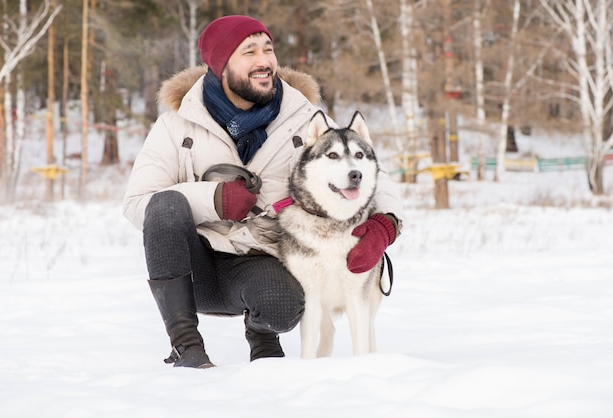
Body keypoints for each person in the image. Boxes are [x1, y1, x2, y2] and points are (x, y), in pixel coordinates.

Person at [123, 15, 404, 368]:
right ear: (221, 65)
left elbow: (372, 171)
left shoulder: (304, 116)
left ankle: (263, 337)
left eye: (268, 50)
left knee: (282, 305)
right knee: (164, 206)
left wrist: (386, 223)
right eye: (249, 52)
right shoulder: (176, 125)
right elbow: (136, 204)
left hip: (262, 262)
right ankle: (187, 347)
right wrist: (213, 200)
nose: (264, 61)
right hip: (195, 267)